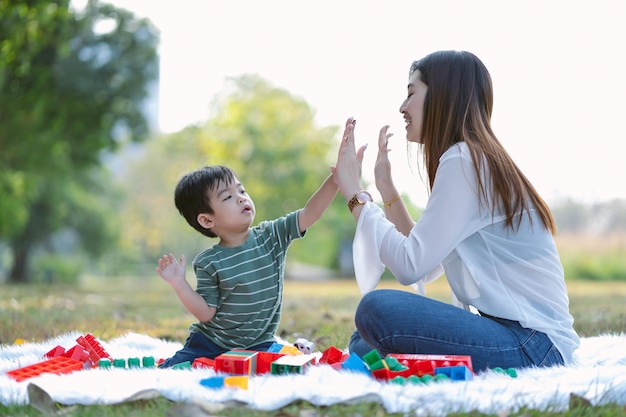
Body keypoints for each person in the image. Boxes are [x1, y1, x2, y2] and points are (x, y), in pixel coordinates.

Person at [332, 50, 580, 373]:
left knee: (376, 311)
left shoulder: (465, 161)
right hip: (529, 340)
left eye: (411, 94)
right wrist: (387, 189)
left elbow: (410, 265)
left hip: (534, 346)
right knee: (363, 341)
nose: (402, 107)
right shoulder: (472, 158)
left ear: (443, 97)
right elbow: (428, 263)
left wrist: (356, 196)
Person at [155, 126, 349, 366]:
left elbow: (310, 213)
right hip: (211, 343)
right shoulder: (209, 262)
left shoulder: (272, 235)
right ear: (207, 220)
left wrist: (336, 179)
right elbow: (206, 313)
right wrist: (178, 283)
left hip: (259, 343)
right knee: (173, 369)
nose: (241, 197)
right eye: (227, 197)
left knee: (290, 365)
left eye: (242, 190)